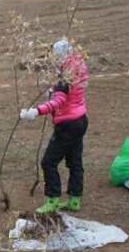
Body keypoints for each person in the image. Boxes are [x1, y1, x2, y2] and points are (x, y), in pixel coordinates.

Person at [19, 40, 89, 213]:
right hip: (80, 119)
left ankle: (52, 199)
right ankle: (74, 199)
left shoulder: (64, 77)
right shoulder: (78, 66)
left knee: (48, 162)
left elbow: (58, 102)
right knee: (74, 161)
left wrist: (36, 111)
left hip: (68, 123)